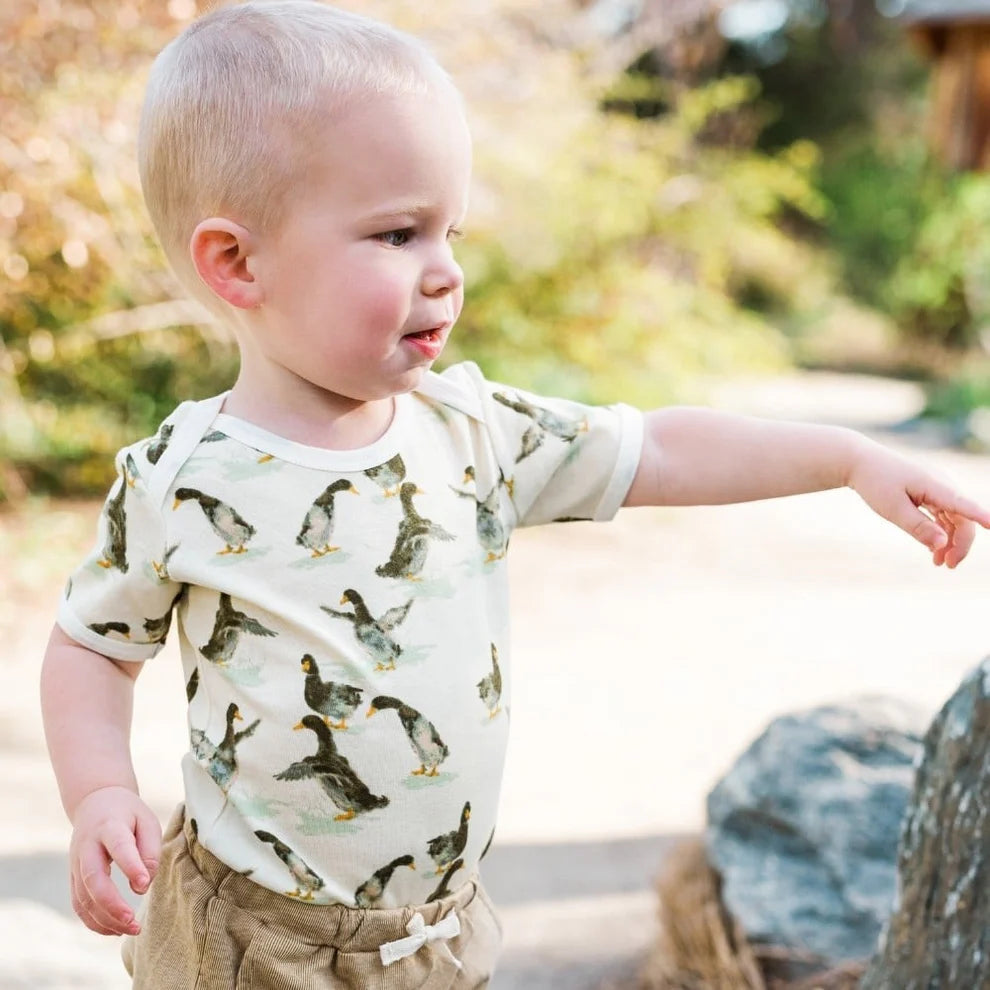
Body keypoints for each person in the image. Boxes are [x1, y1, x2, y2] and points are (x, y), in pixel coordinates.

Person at [39, 2, 990, 987]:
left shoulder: (474, 434)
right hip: (250, 940)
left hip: (436, 934)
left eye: (449, 231)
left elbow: (662, 448)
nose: (447, 272)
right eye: (399, 233)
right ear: (238, 263)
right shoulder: (184, 478)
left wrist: (844, 458)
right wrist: (99, 792)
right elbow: (91, 646)